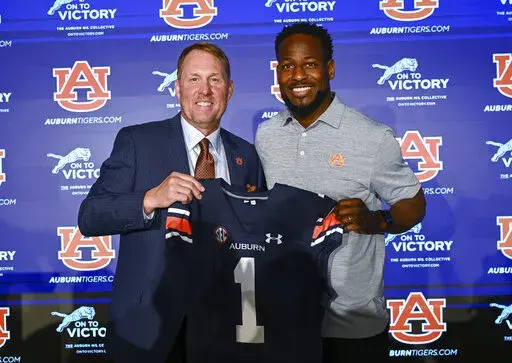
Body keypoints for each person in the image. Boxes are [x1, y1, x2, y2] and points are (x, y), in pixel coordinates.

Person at [78, 42, 266, 363]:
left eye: (215, 80)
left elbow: (254, 246)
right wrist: (151, 198)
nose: (204, 90)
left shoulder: (246, 155)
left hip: (223, 328)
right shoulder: (138, 142)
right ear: (177, 88)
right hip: (148, 329)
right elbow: (90, 216)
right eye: (194, 79)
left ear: (230, 89)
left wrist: (251, 324)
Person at [255, 22, 426, 363]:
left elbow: (414, 203)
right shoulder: (266, 135)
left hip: (351, 327)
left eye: (310, 64)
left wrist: (378, 220)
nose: (298, 75)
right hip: (284, 322)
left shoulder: (372, 137)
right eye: (287, 66)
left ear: (329, 68)